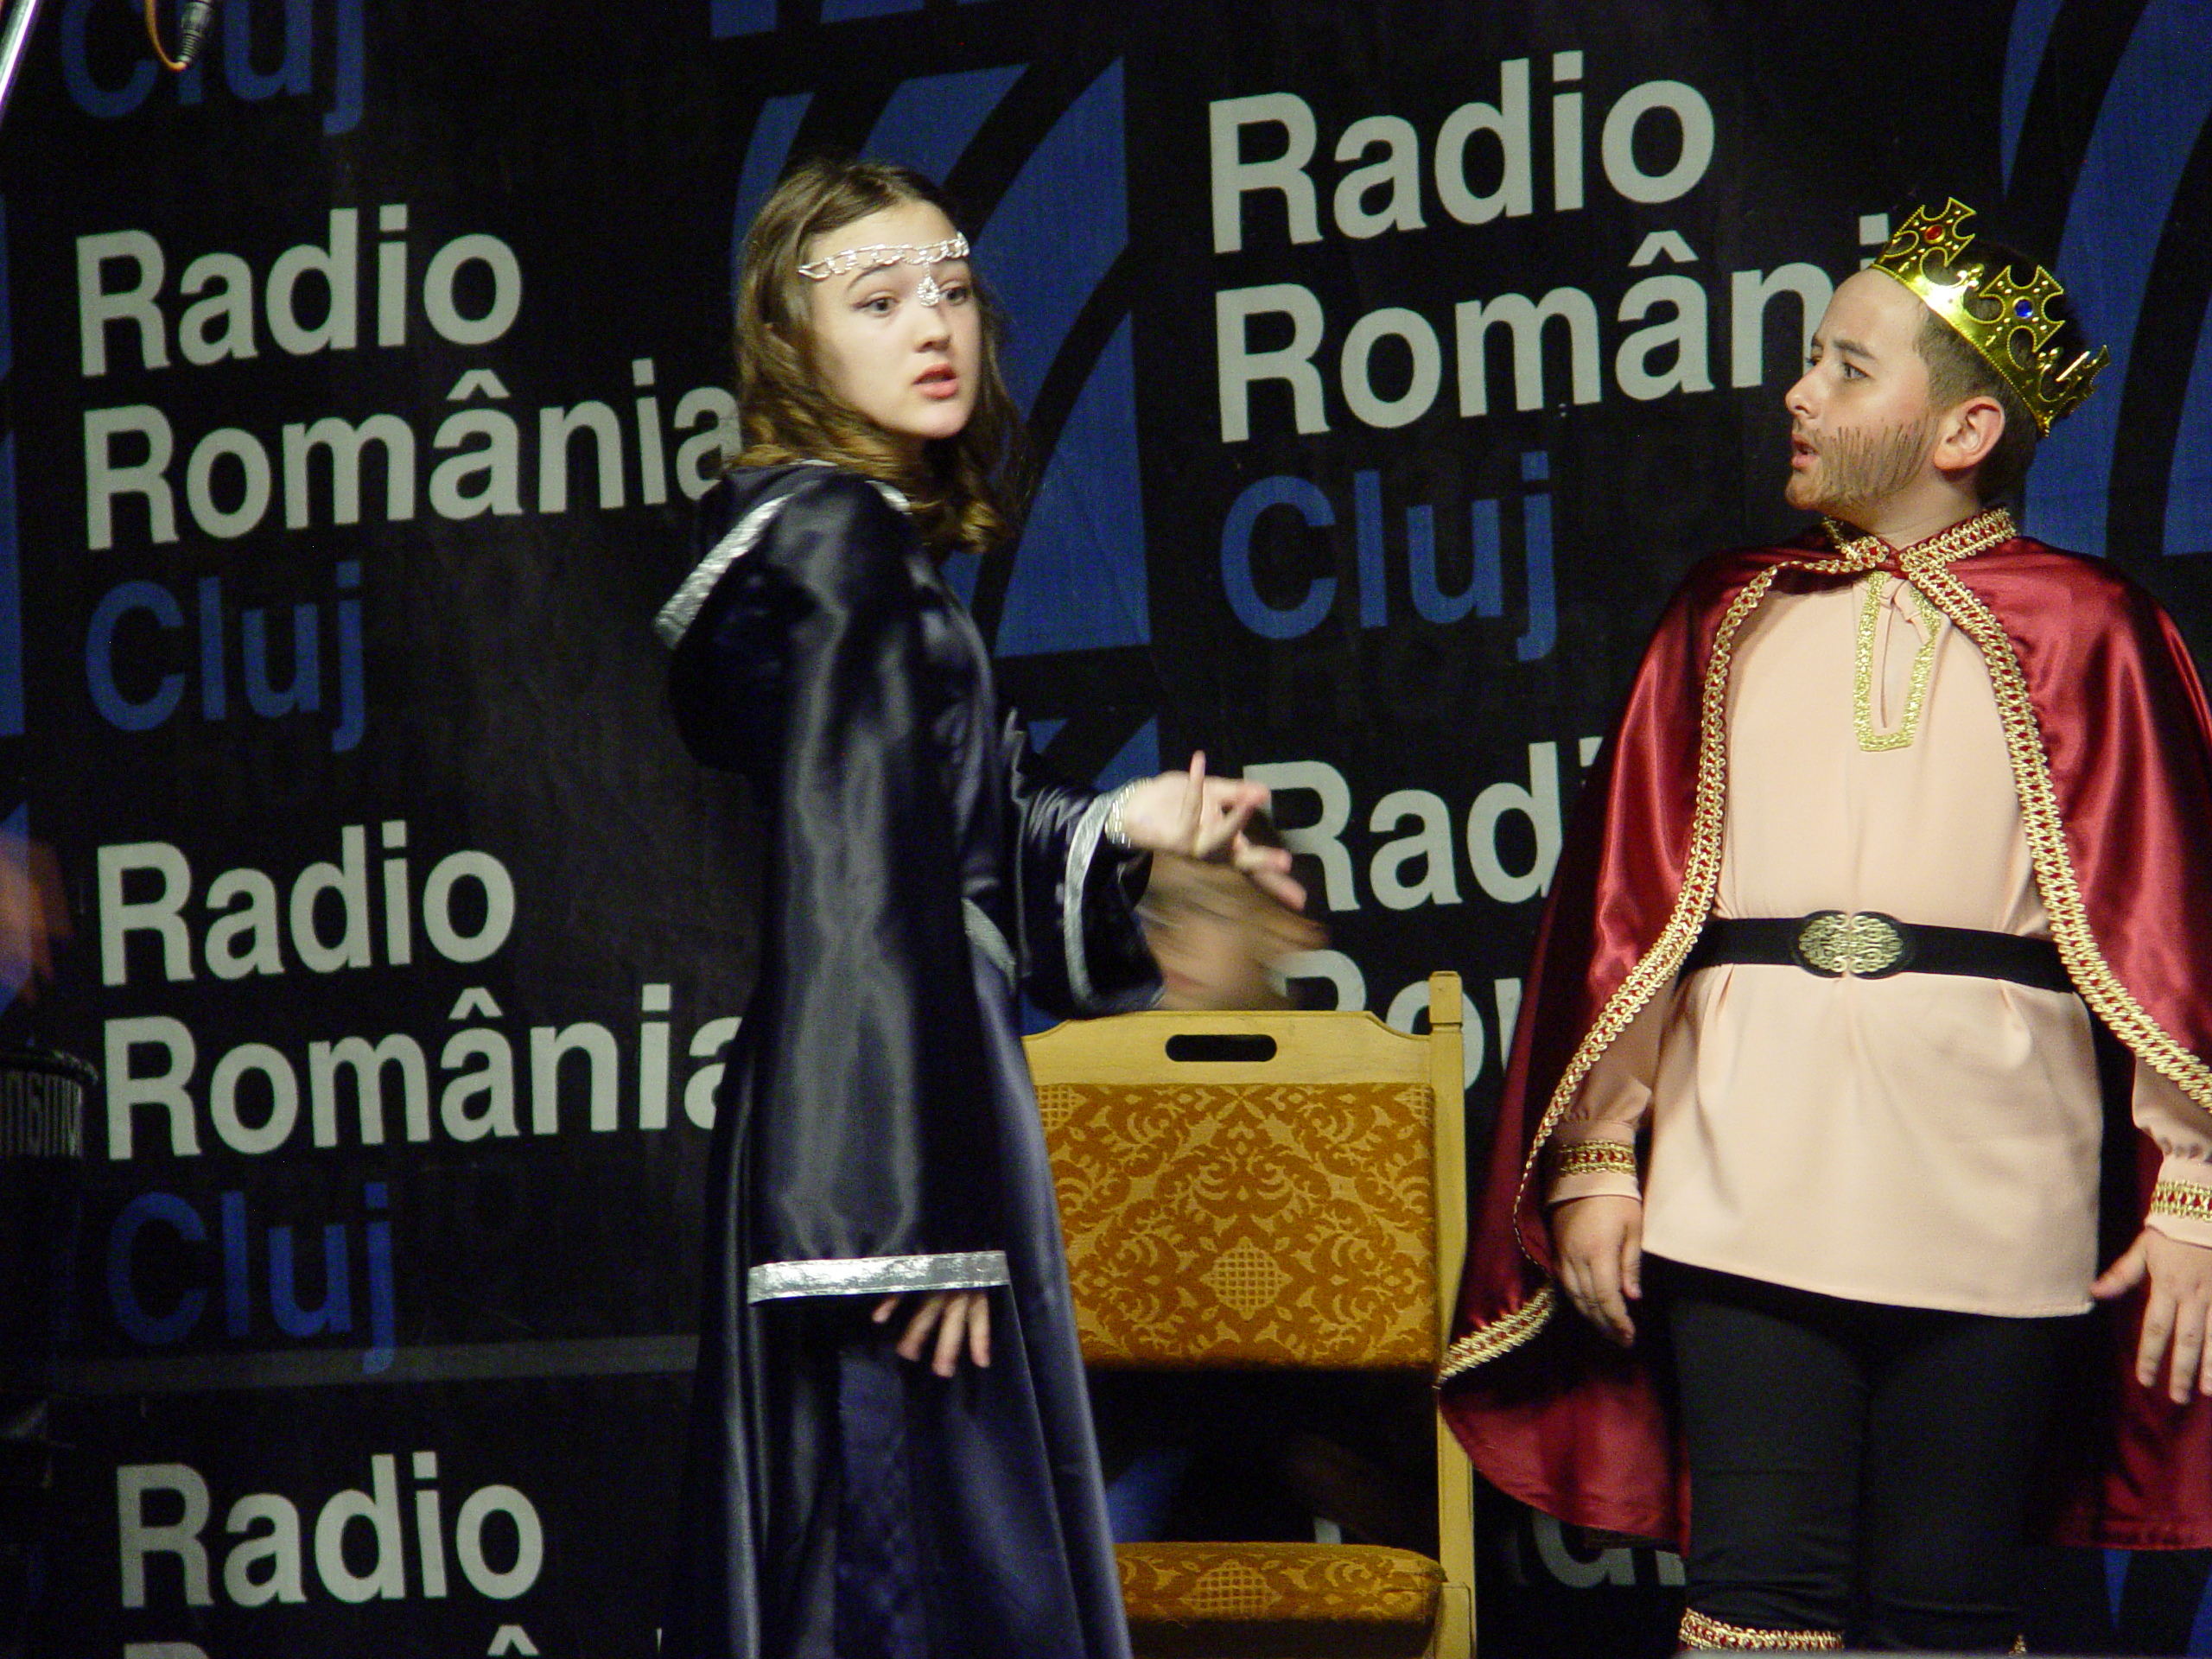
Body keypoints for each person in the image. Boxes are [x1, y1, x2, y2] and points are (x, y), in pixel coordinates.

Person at [1439, 199, 2212, 1652]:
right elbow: (1632, 912)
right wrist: (1601, 1155)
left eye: (1848, 367)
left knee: (1945, 1598)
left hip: (1996, 1175)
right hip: (1754, 1161)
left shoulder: (2091, 626)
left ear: (1966, 427)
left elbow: (2166, 927)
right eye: (1811, 360)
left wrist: (2191, 1189)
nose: (1799, 392)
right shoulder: (1726, 618)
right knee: (1756, 1588)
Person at [653, 156, 1300, 1659]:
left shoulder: (866, 547)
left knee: (918, 1538)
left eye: (950, 288)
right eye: (877, 301)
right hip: (887, 1116)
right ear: (793, 343)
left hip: (907, 1091)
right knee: (898, 1557)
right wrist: (906, 1222)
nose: (934, 323)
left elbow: (948, 844)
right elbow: (855, 881)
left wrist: (1131, 832)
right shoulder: (836, 542)